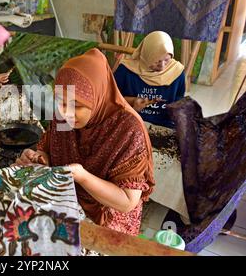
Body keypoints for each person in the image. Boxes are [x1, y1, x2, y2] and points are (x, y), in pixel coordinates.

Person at [15, 49, 155, 236]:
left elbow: (127, 201)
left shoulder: (129, 130)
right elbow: (49, 151)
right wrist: (39, 158)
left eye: (77, 105)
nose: (65, 112)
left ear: (97, 97)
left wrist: (83, 177)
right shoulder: (64, 116)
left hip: (107, 214)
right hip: (67, 196)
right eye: (60, 101)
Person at [114, 31, 186, 128]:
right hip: (132, 120)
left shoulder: (176, 72)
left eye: (167, 60)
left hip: (165, 125)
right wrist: (133, 102)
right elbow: (112, 100)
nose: (162, 66)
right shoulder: (126, 71)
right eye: (157, 61)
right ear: (147, 55)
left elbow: (179, 99)